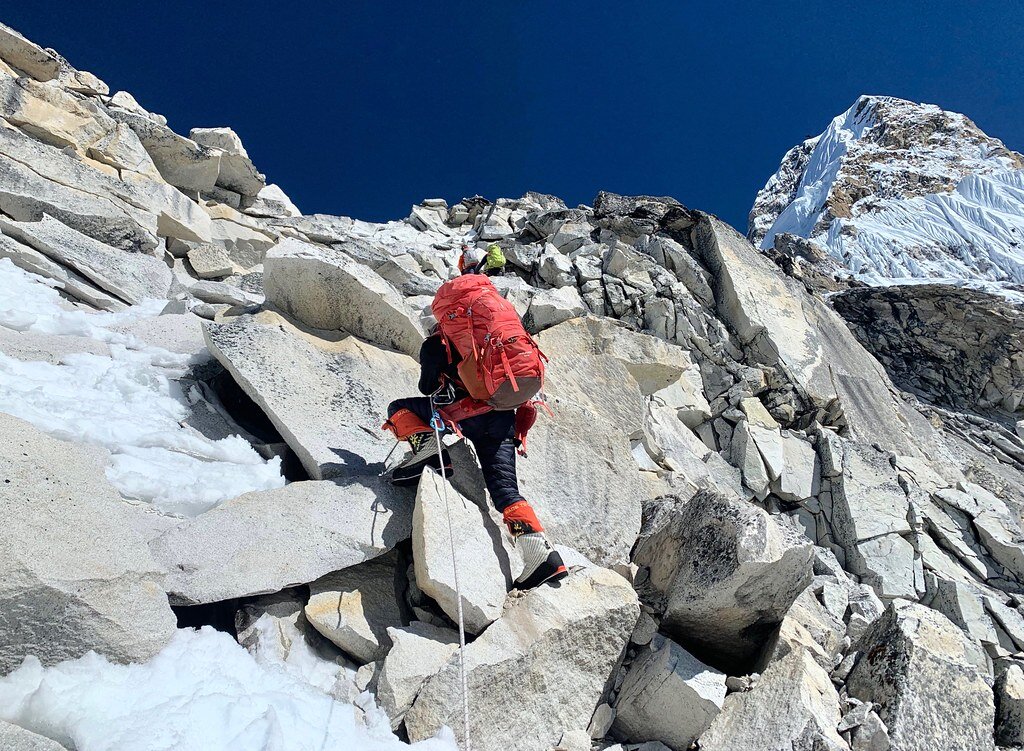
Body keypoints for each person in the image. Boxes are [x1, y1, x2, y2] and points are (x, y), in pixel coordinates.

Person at [382, 243, 567, 590]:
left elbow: (425, 389)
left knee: (400, 409)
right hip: (501, 416)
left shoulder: (435, 344)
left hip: (461, 415)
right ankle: (542, 556)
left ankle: (428, 451)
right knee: (505, 490)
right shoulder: (497, 325)